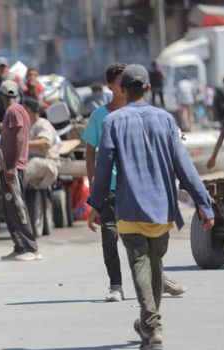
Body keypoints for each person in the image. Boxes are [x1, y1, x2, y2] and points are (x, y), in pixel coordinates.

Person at [87, 64, 215, 350]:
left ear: (122, 88)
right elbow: (184, 166)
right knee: (154, 266)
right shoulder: (166, 120)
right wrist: (203, 204)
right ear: (147, 87)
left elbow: (103, 166)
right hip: (162, 210)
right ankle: (149, 322)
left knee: (142, 266)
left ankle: (152, 326)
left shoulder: (113, 122)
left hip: (129, 207)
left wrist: (95, 204)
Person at [83, 64, 188, 303]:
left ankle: (159, 279)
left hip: (137, 184)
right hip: (110, 185)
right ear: (111, 86)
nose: (126, 85)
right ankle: (116, 285)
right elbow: (90, 149)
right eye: (122, 81)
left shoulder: (142, 111)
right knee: (109, 234)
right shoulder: (101, 116)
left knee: (149, 234)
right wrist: (92, 180)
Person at [0, 80, 42, 261]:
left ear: (1, 96)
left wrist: (12, 166)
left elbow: (19, 138)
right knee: (11, 210)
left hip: (13, 169)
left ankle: (31, 248)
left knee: (17, 208)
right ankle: (20, 247)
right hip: (11, 168)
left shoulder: (13, 110)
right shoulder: (19, 109)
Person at [22, 97, 58, 191]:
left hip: (47, 162)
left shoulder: (43, 124)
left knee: (35, 163)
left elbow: (45, 143)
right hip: (29, 161)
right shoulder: (25, 126)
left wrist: (24, 144)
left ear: (29, 110)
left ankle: (15, 183)